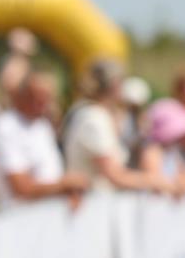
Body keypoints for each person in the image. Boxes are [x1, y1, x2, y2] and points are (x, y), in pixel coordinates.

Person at [63, 60, 176, 194]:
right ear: (114, 84)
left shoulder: (93, 114)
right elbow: (115, 175)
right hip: (95, 205)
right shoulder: (93, 118)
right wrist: (156, 181)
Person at [0, 71, 88, 207]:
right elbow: (21, 188)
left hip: (47, 214)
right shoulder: (6, 127)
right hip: (19, 218)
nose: (43, 103)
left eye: (47, 97)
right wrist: (64, 184)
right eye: (37, 97)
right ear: (21, 96)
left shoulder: (43, 126)